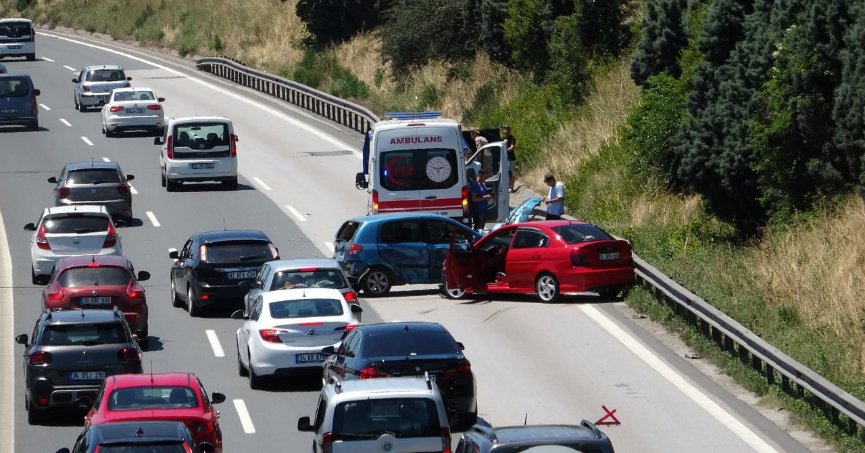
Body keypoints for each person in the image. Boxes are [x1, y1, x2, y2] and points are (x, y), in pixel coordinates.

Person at [502, 125, 517, 192]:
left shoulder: (512, 138)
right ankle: (507, 186)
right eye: (504, 129)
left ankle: (511, 187)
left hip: (511, 158)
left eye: (507, 129)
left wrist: (505, 150)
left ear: (509, 130)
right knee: (506, 173)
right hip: (504, 158)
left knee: (511, 173)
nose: (505, 131)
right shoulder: (502, 138)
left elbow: (512, 147)